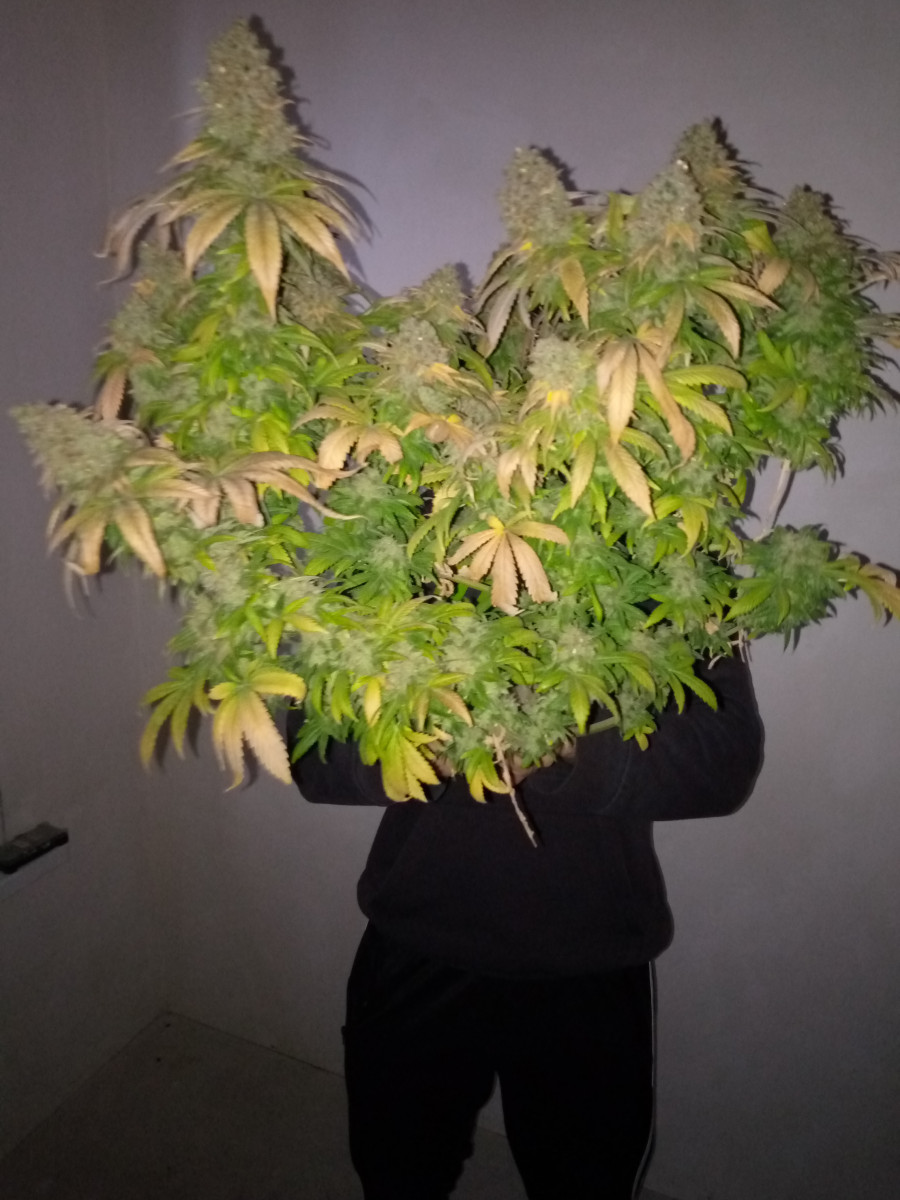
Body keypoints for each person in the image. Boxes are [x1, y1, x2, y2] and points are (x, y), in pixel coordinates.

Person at [288, 653, 762, 1200]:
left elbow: (724, 763)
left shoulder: (680, 598)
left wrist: (565, 742)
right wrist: (424, 749)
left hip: (592, 958)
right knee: (396, 1174)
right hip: (418, 940)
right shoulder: (380, 594)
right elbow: (312, 755)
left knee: (587, 1185)